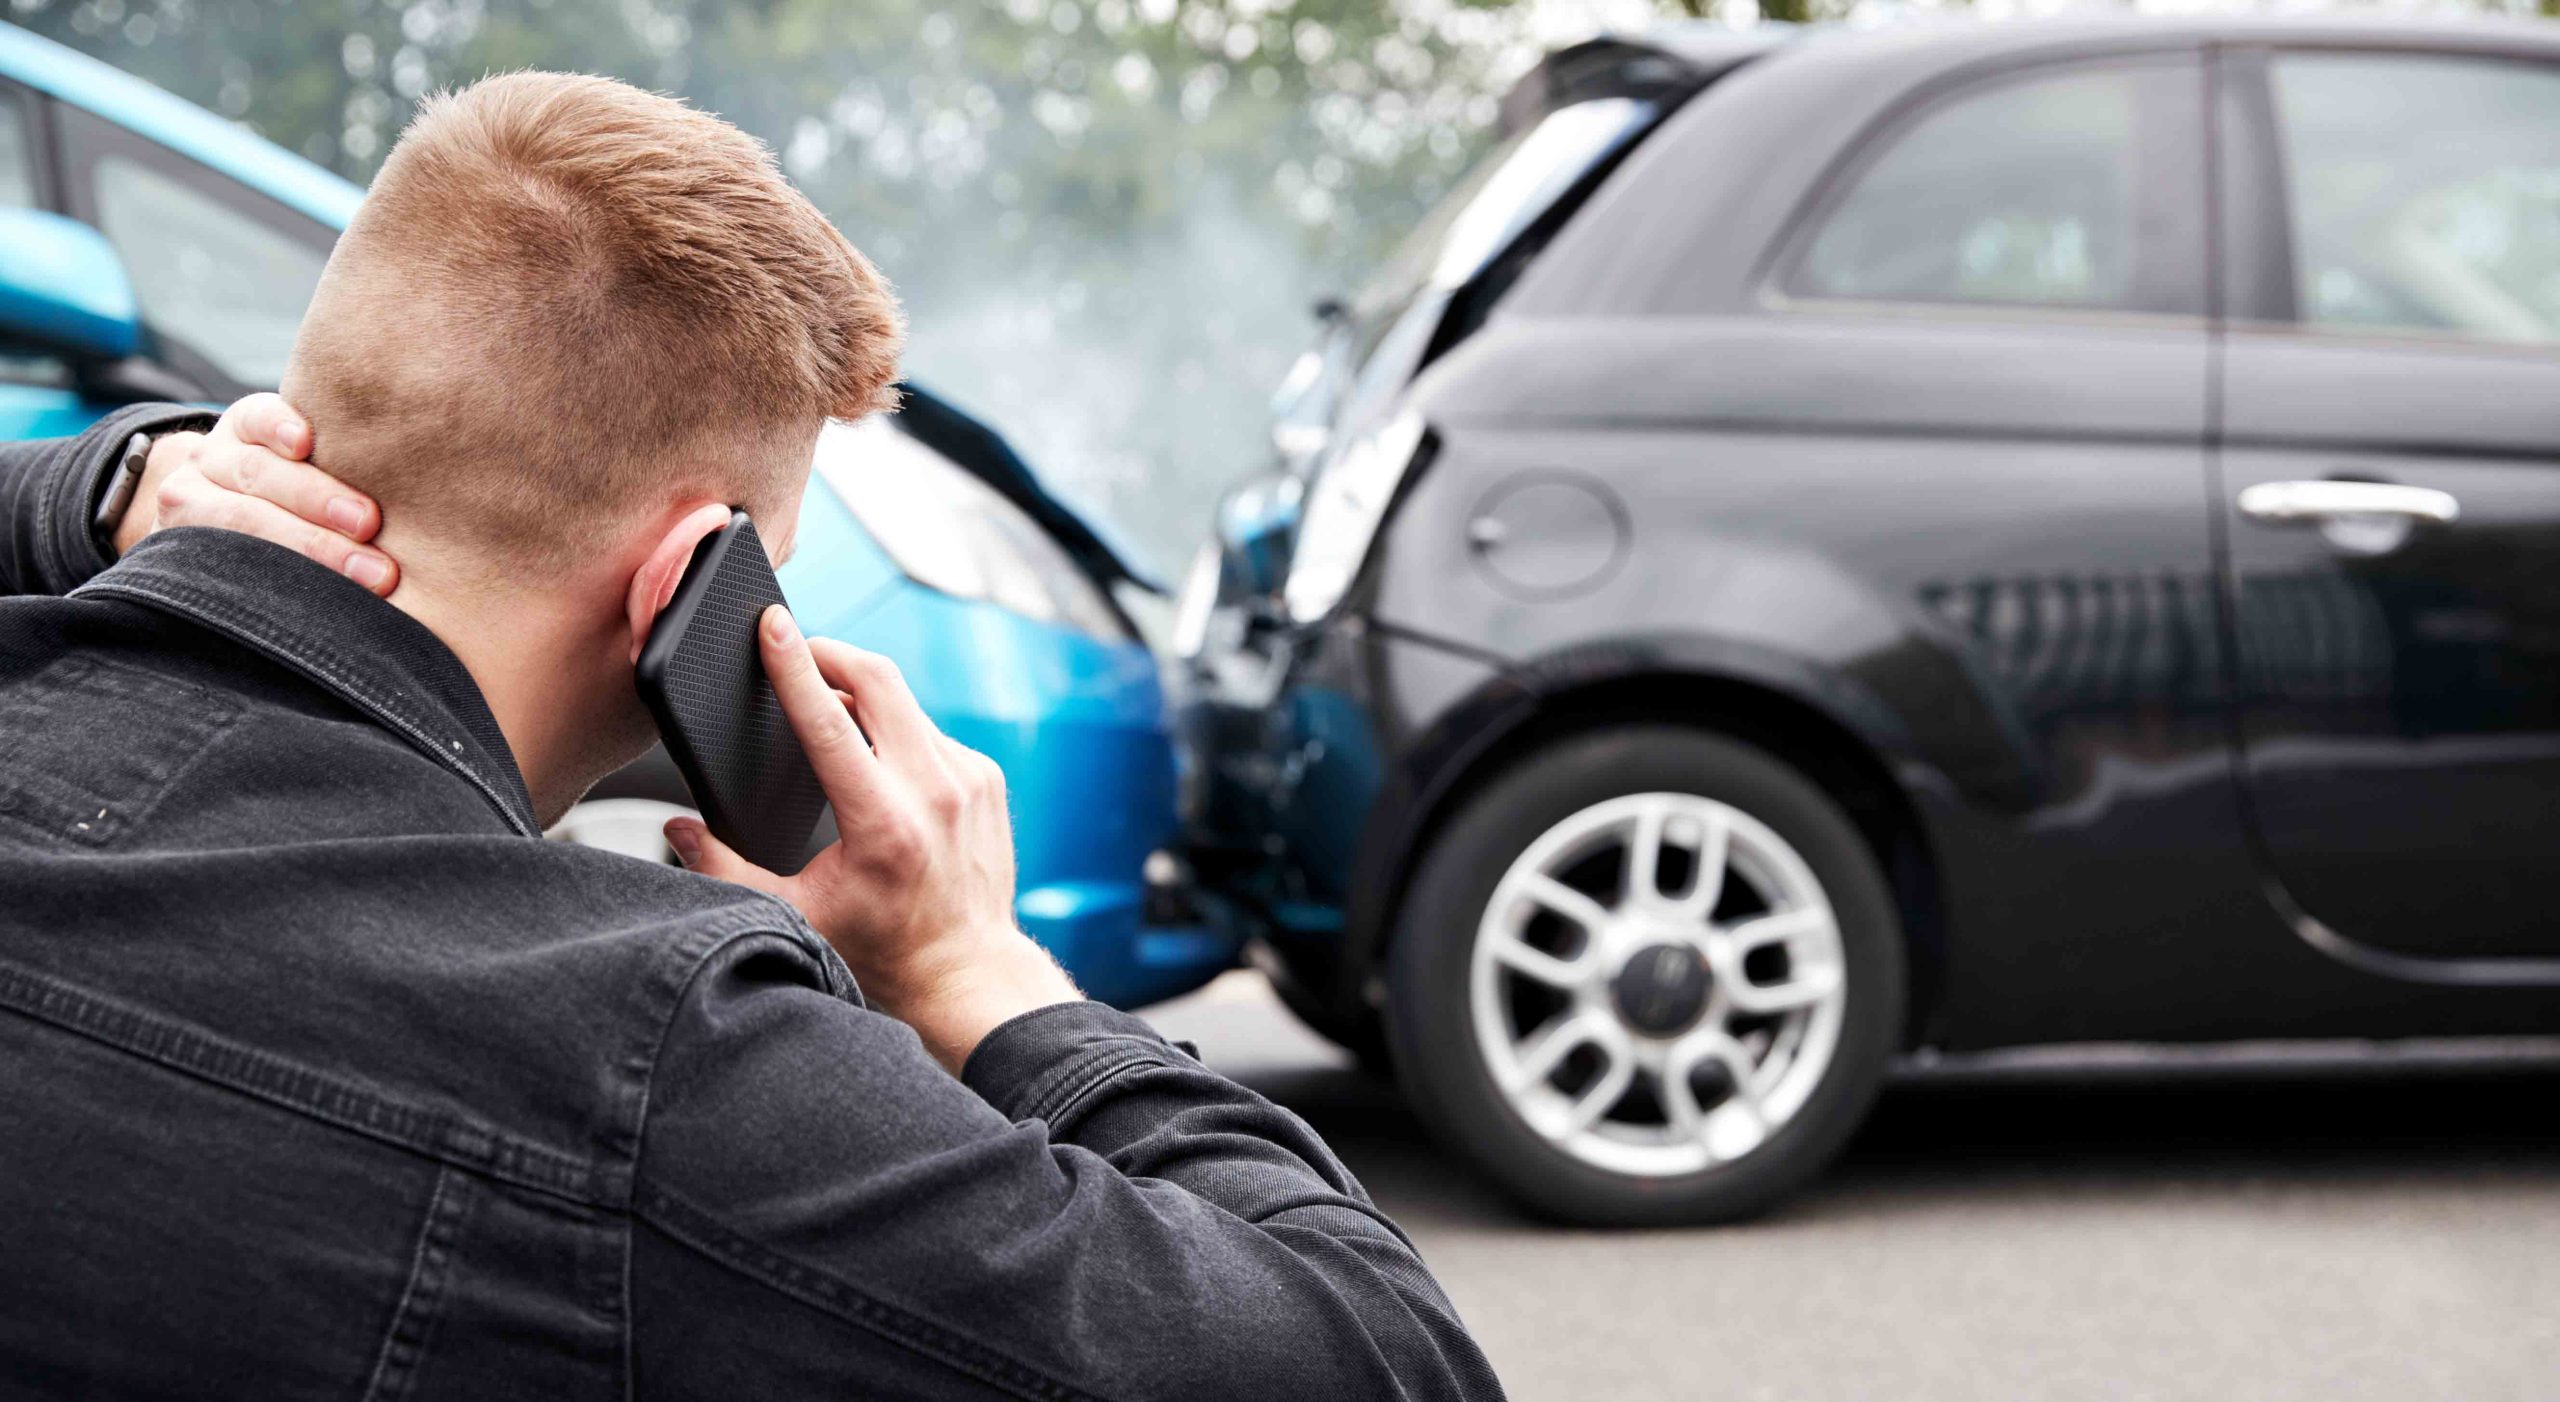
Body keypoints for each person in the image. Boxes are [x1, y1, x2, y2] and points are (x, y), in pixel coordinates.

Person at [0, 72, 1501, 1400]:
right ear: (688, 588)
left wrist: (89, 493)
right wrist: (980, 974)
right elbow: (1382, 1361)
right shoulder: (648, 1049)